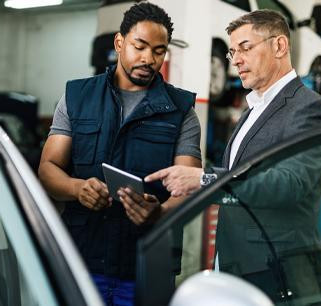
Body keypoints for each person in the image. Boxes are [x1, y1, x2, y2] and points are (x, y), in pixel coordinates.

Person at [145, 9, 321, 303]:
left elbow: (290, 184)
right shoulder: (252, 111)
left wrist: (205, 178)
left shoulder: (309, 108)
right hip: (235, 263)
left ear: (280, 46)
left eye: (245, 48)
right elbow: (237, 180)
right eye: (232, 51)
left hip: (277, 269)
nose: (236, 60)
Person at [38, 2, 202, 305]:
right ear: (119, 42)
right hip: (82, 260)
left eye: (158, 51)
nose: (148, 59)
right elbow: (48, 168)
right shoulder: (76, 97)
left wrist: (161, 214)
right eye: (139, 46)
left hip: (146, 265)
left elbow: (189, 187)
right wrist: (77, 188)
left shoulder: (182, 112)